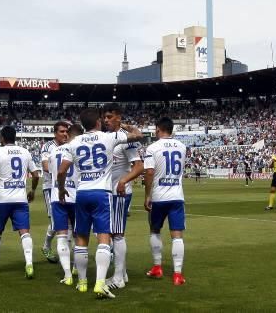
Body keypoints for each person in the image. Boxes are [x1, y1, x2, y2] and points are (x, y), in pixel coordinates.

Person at [57, 108, 142, 299]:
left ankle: (82, 282)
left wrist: (61, 189)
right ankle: (100, 284)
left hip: (82, 193)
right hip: (102, 193)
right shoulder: (108, 138)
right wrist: (126, 125)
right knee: (105, 237)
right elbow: (138, 135)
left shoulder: (74, 142)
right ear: (97, 123)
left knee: (81, 239)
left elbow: (62, 171)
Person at [0, 125, 41, 278]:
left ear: (2, 138)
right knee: (25, 232)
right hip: (20, 199)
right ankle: (29, 264)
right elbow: (35, 175)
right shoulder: (25, 152)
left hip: (2, 199)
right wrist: (33, 191)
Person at [138, 117, 188, 286]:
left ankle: (157, 267)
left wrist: (147, 195)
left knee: (154, 230)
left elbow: (150, 172)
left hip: (159, 196)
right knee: (177, 235)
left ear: (158, 129)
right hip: (176, 196)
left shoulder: (152, 148)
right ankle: (177, 274)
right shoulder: (182, 147)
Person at [102, 103, 144, 290]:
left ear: (118, 117)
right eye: (104, 117)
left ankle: (118, 278)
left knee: (117, 235)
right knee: (111, 234)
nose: (106, 120)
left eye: (110, 117)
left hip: (119, 193)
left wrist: (123, 181)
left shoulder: (127, 142)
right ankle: (122, 273)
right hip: (108, 193)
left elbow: (139, 166)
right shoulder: (111, 138)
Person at [51, 123, 83, 285]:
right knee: (79, 236)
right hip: (76, 197)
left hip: (58, 196)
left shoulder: (54, 151)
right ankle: (77, 267)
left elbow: (53, 172)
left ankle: (67, 275)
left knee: (62, 236)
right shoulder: (80, 150)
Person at [39, 121, 70, 264]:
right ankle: (46, 246)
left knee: (68, 221)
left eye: (66, 131)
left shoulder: (70, 145)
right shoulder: (48, 147)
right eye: (62, 131)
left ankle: (68, 254)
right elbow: (46, 167)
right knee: (56, 221)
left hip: (68, 186)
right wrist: (62, 171)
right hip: (50, 187)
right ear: (55, 133)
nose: (65, 134)